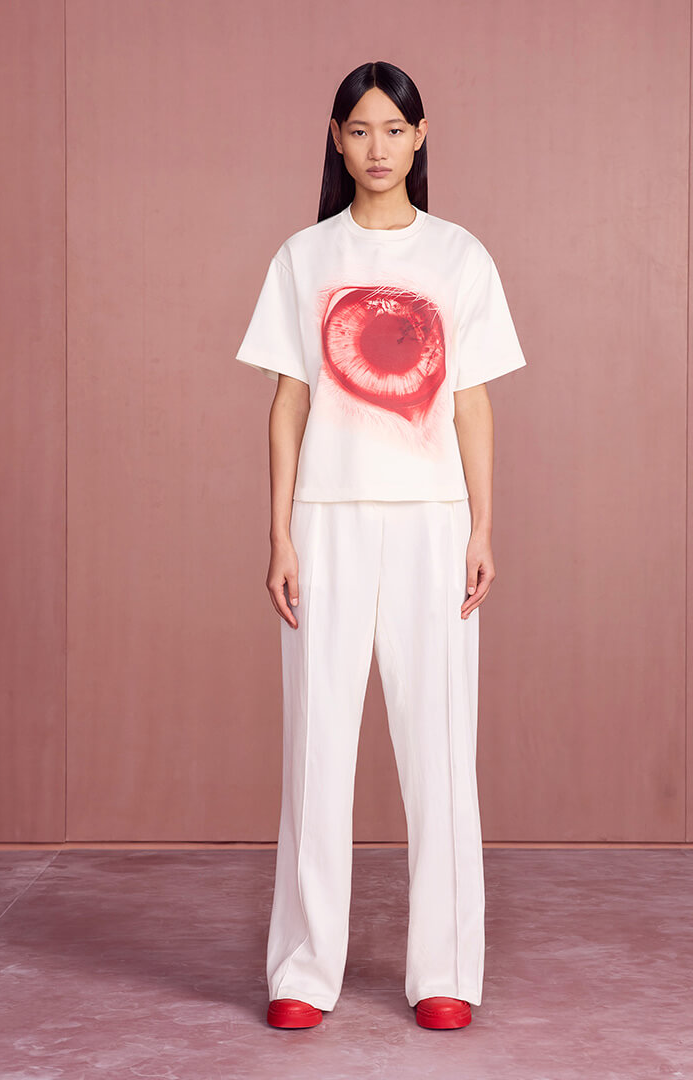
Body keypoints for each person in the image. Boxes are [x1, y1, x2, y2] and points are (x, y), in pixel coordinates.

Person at [234, 60, 527, 1032]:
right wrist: (279, 532)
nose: (376, 148)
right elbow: (289, 402)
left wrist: (482, 525)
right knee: (316, 742)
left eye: (393, 130)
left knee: (439, 745)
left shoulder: (459, 256)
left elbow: (473, 402)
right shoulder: (303, 256)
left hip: (433, 521)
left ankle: (445, 970)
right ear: (336, 138)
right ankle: (302, 969)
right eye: (359, 130)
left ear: (420, 136)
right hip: (327, 520)